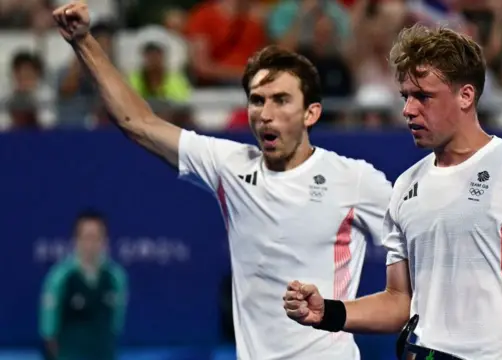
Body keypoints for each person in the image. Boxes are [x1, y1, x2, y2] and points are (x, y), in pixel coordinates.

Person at [51, 2, 391, 360]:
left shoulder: (355, 180)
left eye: (281, 100)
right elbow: (138, 122)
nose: (266, 113)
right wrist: (84, 41)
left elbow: (420, 248)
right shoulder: (229, 165)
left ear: (312, 113)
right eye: (257, 101)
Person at [283, 25, 502, 360]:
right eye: (406, 96)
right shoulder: (405, 187)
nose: (408, 109)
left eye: (423, 96)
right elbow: (399, 300)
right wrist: (328, 313)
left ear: (466, 95)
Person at [39, 210, 128, 360]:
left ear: (105, 241)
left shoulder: (116, 277)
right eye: (86, 237)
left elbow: (116, 323)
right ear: (76, 240)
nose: (91, 244)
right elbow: (48, 327)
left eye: (96, 238)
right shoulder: (60, 277)